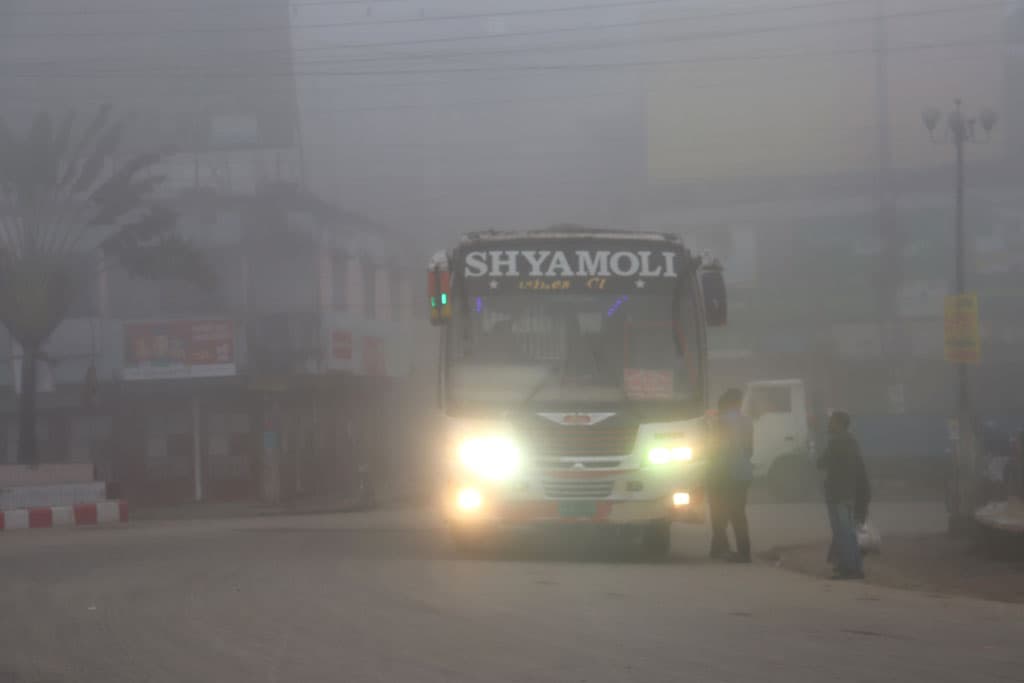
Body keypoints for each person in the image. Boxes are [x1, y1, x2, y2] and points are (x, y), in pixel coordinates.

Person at [707, 388, 754, 563]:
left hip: (722, 473)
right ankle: (741, 551)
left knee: (718, 511)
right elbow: (750, 450)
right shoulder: (747, 421)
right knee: (738, 513)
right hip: (743, 473)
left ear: (724, 404)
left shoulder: (719, 422)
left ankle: (723, 548)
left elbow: (716, 449)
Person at [817, 411, 865, 580]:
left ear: (839, 424)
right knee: (848, 532)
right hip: (849, 491)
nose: (829, 425)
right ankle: (852, 566)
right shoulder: (852, 442)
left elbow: (820, 463)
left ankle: (849, 569)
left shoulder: (836, 443)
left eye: (831, 422)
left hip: (837, 493)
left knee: (843, 532)